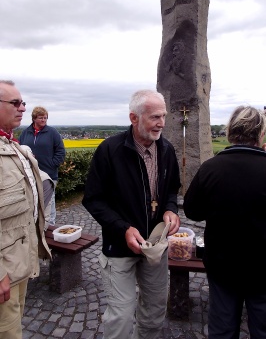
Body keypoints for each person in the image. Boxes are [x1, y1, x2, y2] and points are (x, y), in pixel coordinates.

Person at [82, 89, 181, 339]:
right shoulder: (109, 150)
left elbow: (171, 190)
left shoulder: (166, 149)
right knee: (121, 315)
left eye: (163, 116)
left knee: (155, 311)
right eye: (154, 117)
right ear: (134, 118)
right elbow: (93, 199)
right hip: (119, 248)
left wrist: (170, 208)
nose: (161, 123)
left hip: (155, 247)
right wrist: (123, 228)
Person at [183, 105, 266, 339]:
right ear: (260, 134)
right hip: (262, 267)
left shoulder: (211, 167)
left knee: (222, 329)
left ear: (231, 132)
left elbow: (193, 211)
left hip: (222, 265)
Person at [0, 80, 52, 339]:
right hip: (3, 271)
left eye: (23, 103)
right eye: (15, 103)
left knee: (15, 323)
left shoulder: (12, 146)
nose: (22, 107)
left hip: (18, 262)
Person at [19, 106, 65, 225]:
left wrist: (52, 164)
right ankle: (35, 227)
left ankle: (50, 226)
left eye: (45, 118)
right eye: (40, 118)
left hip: (49, 174)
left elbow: (61, 151)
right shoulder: (26, 132)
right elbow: (19, 149)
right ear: (34, 118)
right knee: (33, 201)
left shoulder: (52, 132)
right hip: (31, 174)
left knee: (49, 202)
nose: (43, 120)